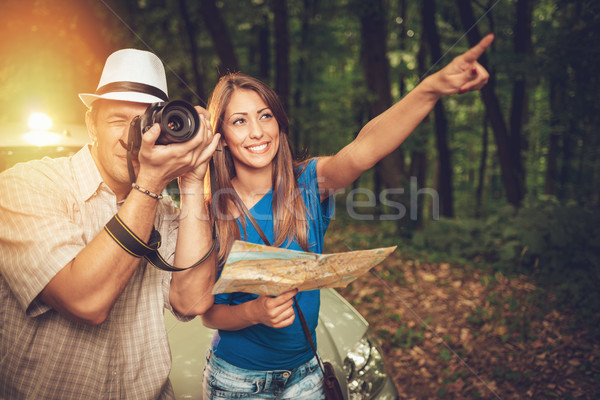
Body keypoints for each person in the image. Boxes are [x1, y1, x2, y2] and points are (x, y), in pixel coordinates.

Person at [200, 33, 495, 399]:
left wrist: (430, 89)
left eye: (265, 116)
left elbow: (365, 147)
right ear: (223, 137)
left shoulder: (309, 182)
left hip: (305, 374)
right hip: (238, 382)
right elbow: (207, 313)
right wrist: (255, 312)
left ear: (279, 123)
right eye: (239, 121)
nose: (258, 131)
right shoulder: (212, 210)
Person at [0, 49, 219, 399]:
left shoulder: (164, 207)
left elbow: (192, 301)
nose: (130, 138)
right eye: (119, 120)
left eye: (145, 123)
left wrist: (192, 184)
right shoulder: (24, 186)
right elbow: (85, 301)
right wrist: (148, 183)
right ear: (91, 124)